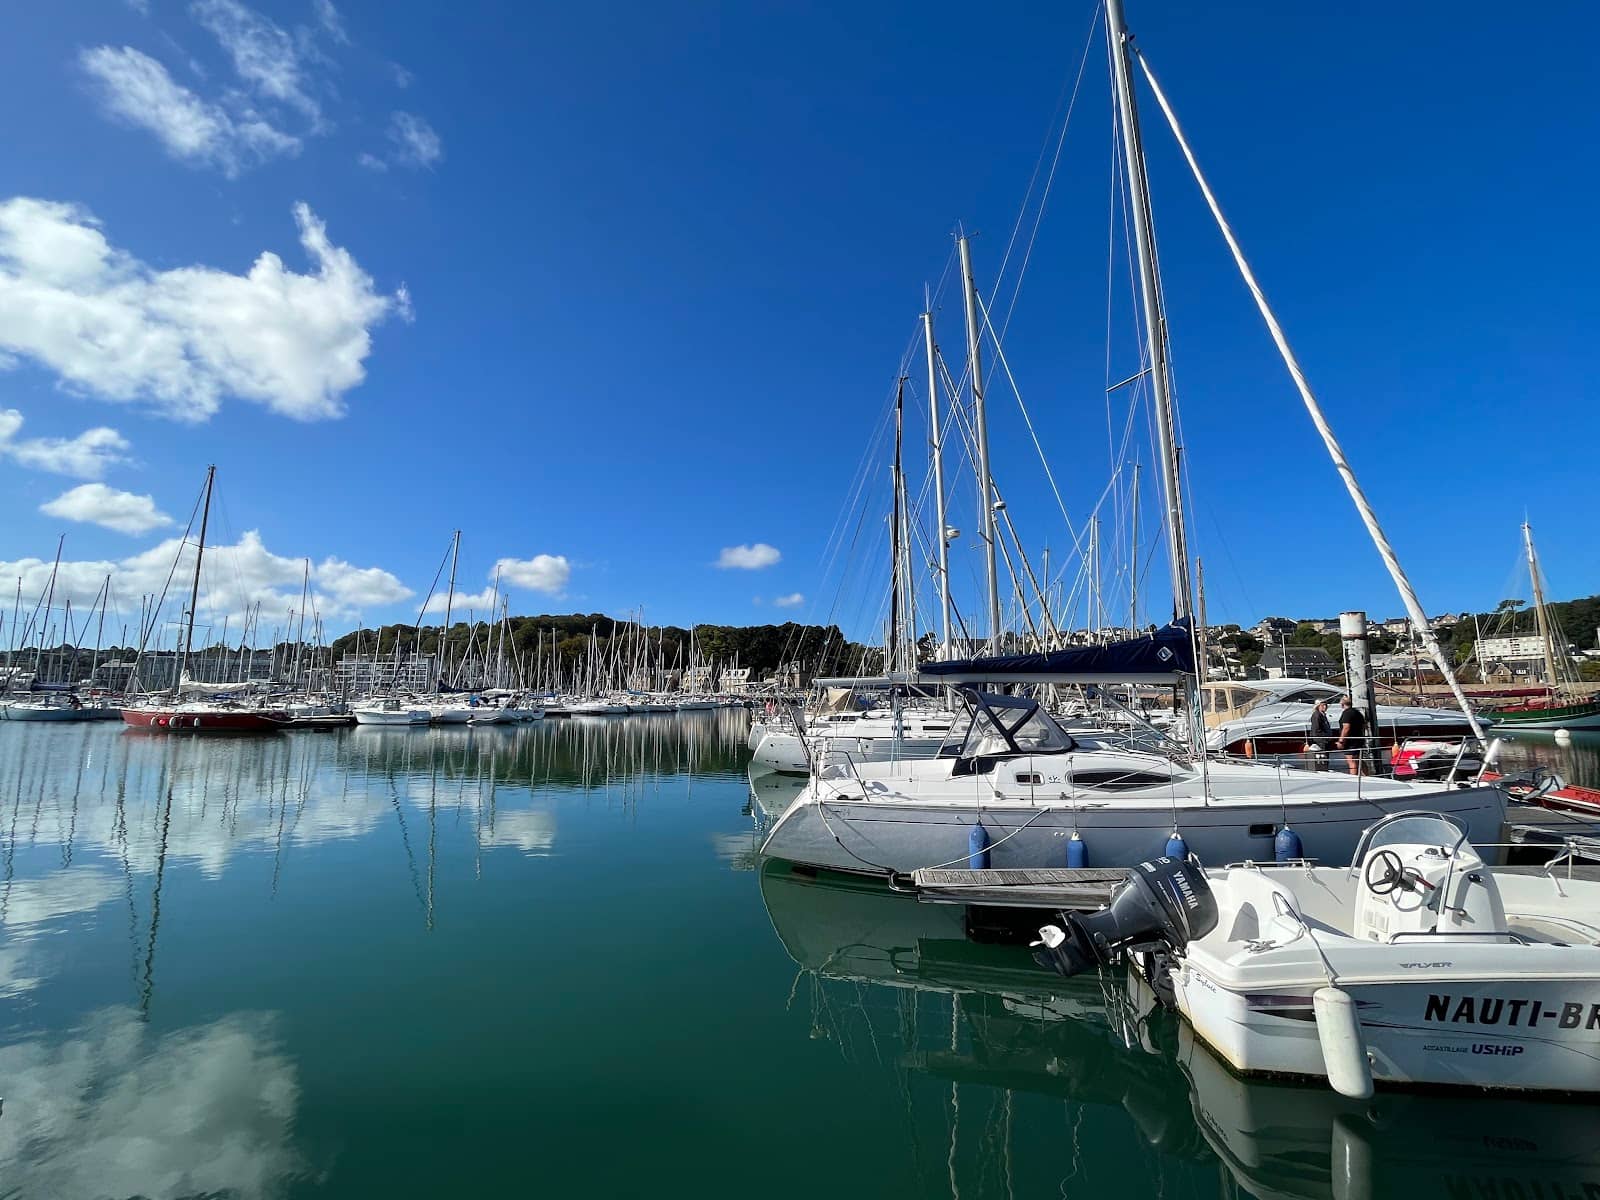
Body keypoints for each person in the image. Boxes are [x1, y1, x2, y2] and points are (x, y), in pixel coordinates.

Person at [1336, 694, 1368, 775]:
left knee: (1352, 761)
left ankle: (1353, 780)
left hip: (1350, 742)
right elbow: (1364, 726)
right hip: (1359, 740)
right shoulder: (1358, 713)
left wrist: (1341, 741)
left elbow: (1346, 727)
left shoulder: (1347, 713)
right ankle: (1368, 776)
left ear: (1342, 704)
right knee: (1360, 761)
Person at [1305, 699, 1333, 771]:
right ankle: (1322, 769)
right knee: (1322, 756)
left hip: (1324, 740)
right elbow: (1316, 729)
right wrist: (1325, 737)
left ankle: (1325, 768)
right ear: (1318, 706)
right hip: (1320, 740)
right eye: (1323, 705)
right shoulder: (1317, 715)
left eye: (1326, 705)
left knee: (1325, 756)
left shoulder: (1323, 715)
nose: (1325, 707)